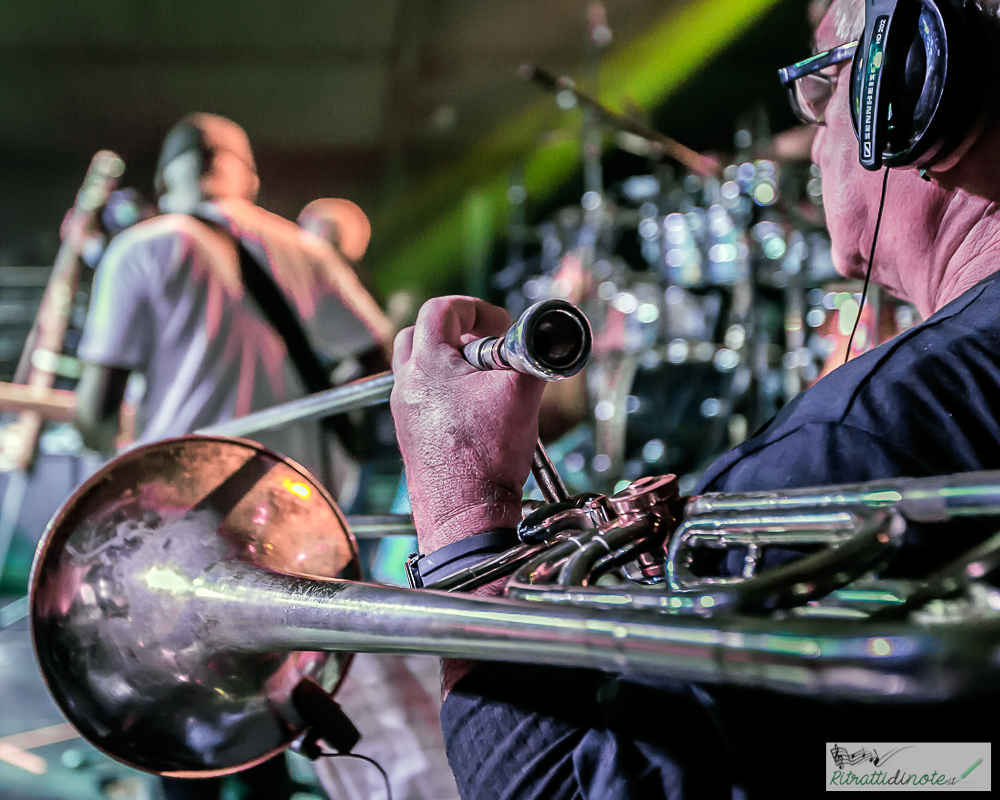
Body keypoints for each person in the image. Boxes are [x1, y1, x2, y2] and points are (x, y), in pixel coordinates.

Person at [389, 1, 1000, 797]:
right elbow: (953, 764)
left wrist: (463, 517)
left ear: (919, 86)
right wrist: (884, 771)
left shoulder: (860, 451)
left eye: (821, 91)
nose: (815, 138)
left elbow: (553, 791)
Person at [72, 113, 392, 800]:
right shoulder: (304, 249)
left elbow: (95, 413)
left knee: (184, 721)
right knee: (267, 704)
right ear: (244, 172)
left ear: (169, 176)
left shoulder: (145, 245)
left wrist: (124, 435)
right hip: (294, 520)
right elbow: (379, 361)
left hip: (184, 527)